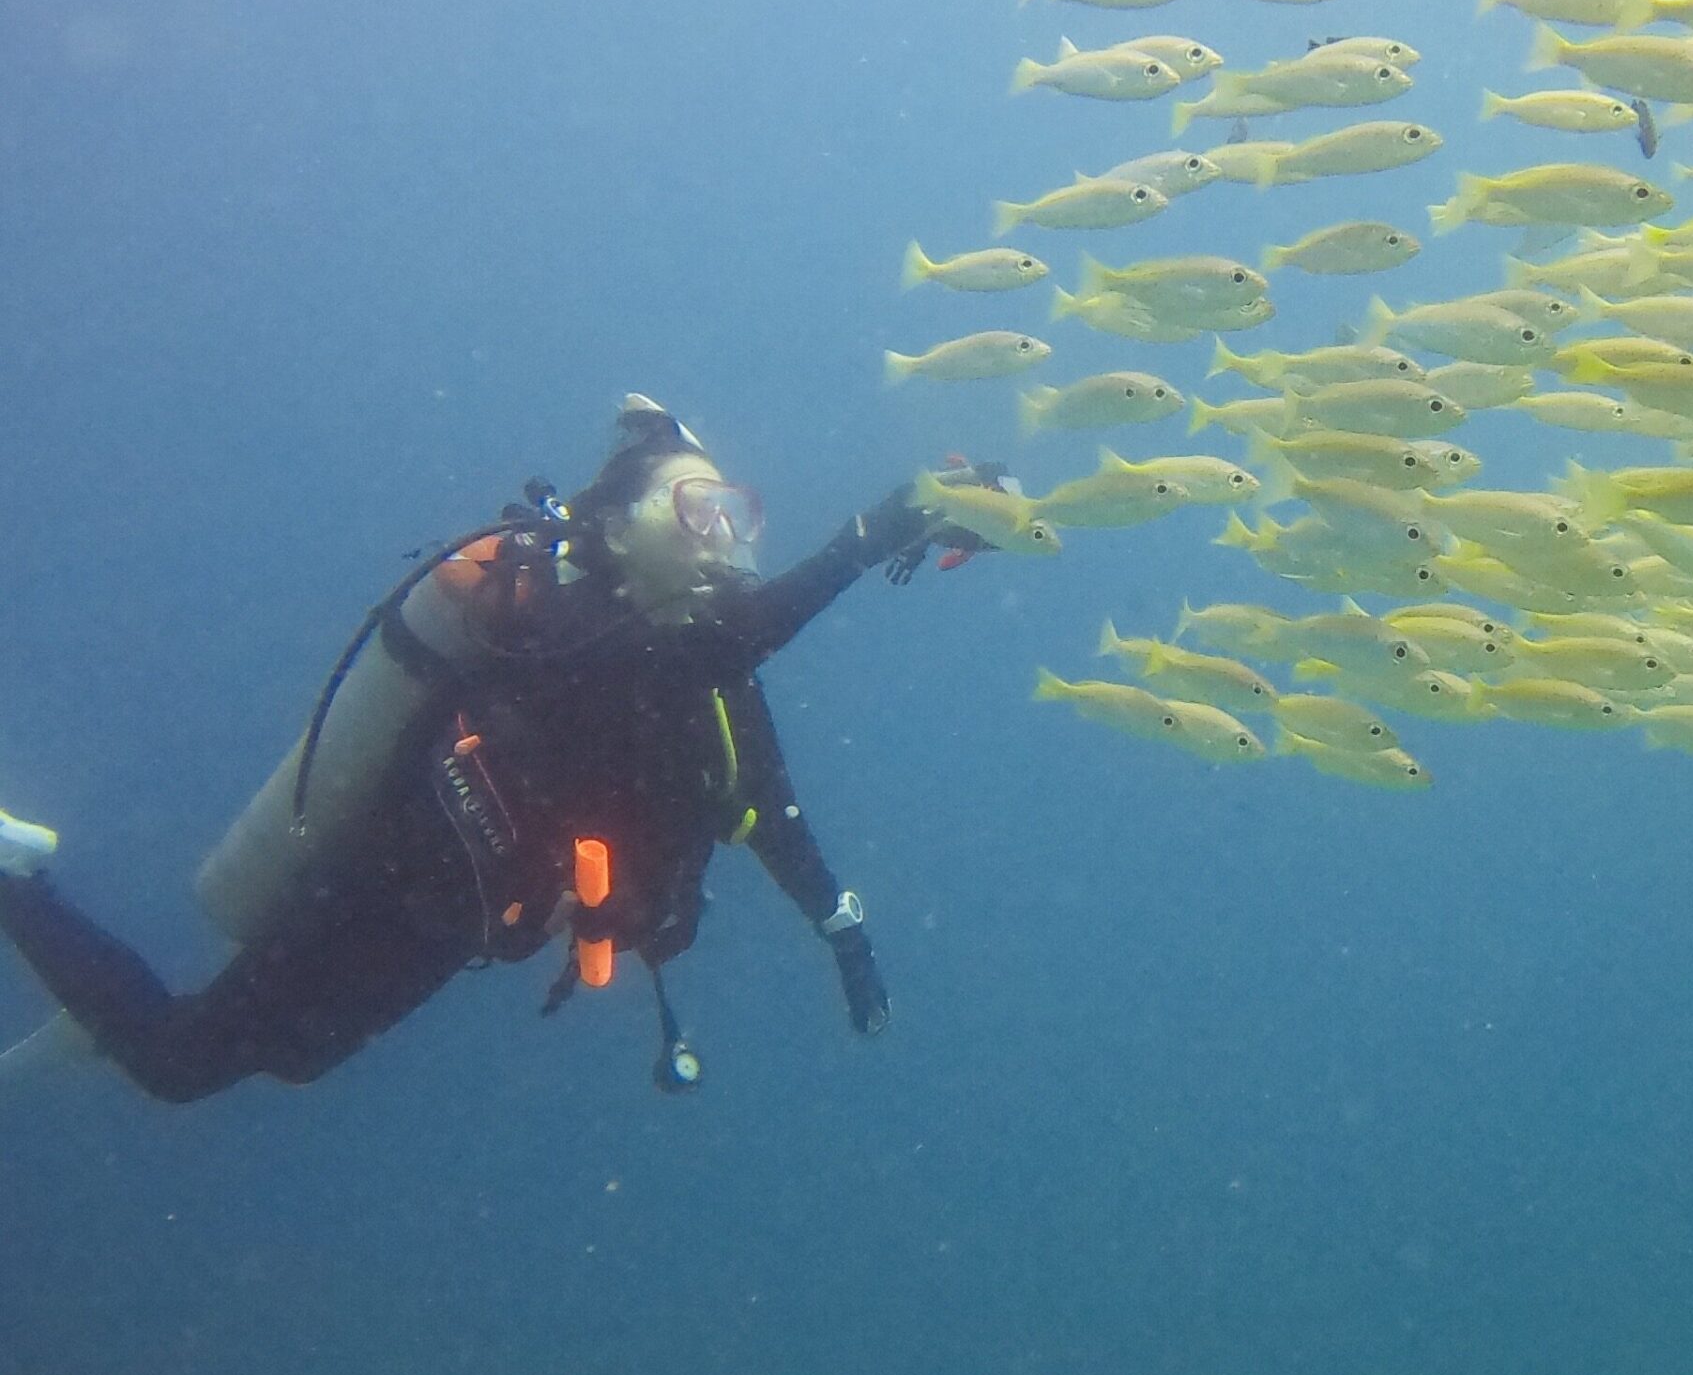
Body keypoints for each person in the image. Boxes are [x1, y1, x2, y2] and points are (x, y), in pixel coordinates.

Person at [0, 396, 988, 1103]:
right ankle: (21, 885)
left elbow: (763, 804)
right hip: (391, 880)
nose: (720, 537)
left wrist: (840, 927)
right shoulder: (572, 622)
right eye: (695, 509)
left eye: (734, 514)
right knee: (183, 1063)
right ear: (614, 521)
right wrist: (878, 526)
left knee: (286, 1060)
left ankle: (102, 1010)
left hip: (461, 919)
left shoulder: (702, 668)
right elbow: (730, 641)